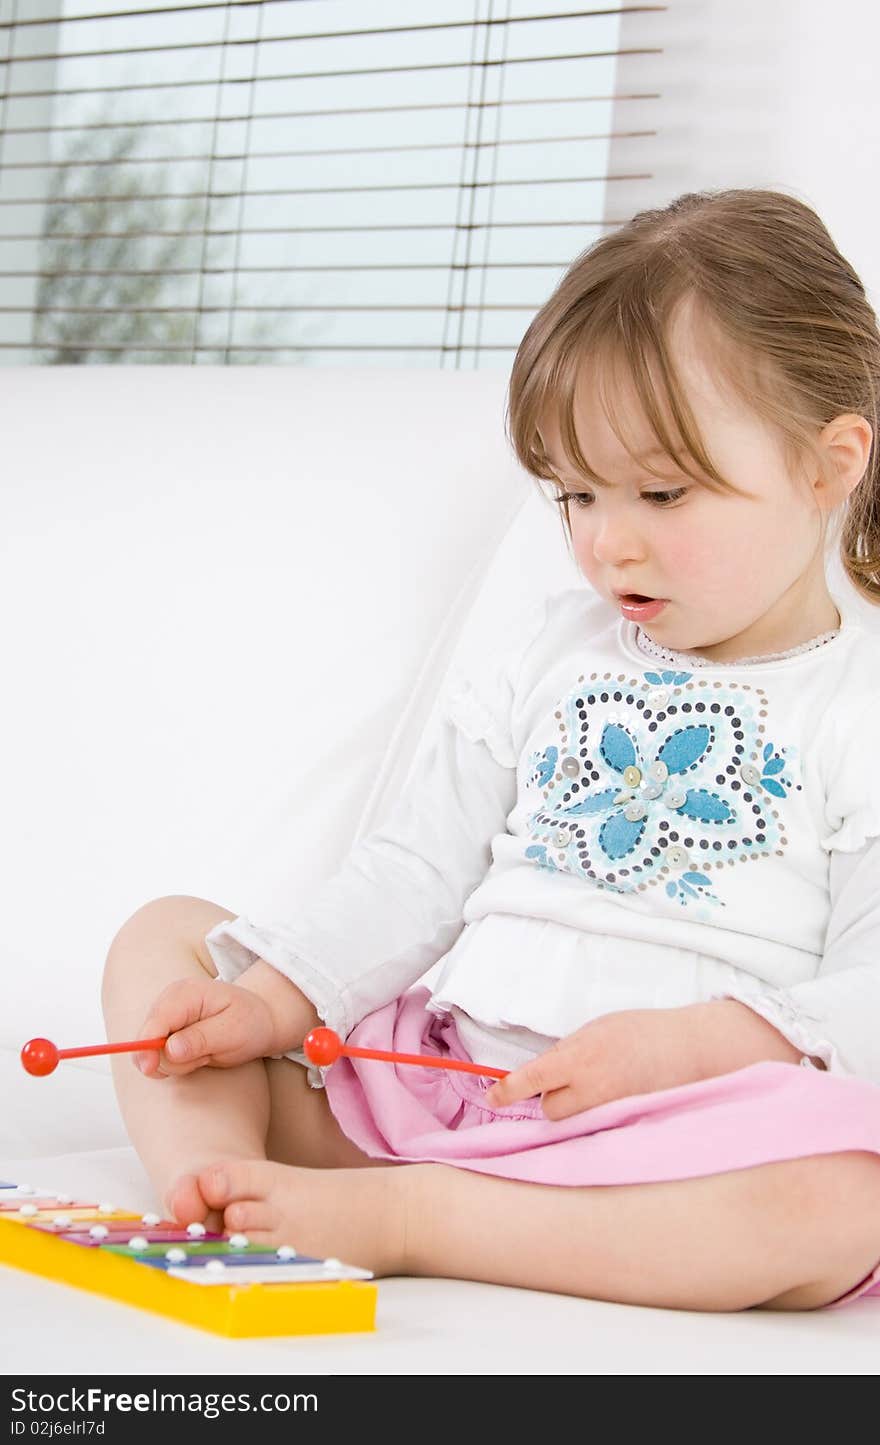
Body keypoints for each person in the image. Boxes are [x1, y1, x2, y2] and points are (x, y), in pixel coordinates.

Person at [103, 188, 880, 1313]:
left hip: (665, 1145)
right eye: (573, 492)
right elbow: (415, 870)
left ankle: (423, 1217)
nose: (607, 539)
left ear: (828, 465)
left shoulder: (858, 703)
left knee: (840, 1199)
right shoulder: (545, 653)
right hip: (433, 1082)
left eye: (661, 489)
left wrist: (695, 1046)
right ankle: (219, 1202)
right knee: (163, 939)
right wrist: (276, 998)